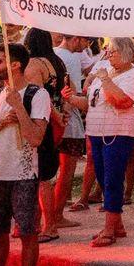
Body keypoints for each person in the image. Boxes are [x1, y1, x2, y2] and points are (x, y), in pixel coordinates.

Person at [0, 44, 50, 266]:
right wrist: (1, 123)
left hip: (23, 174)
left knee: (27, 232)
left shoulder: (38, 94)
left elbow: (35, 138)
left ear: (15, 65)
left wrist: (17, 107)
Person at [64, 37, 134, 247]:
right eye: (108, 51)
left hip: (117, 134)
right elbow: (91, 104)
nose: (108, 55)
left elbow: (122, 102)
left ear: (127, 53)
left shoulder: (133, 76)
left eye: (113, 52)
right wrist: (71, 98)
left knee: (112, 180)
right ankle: (117, 225)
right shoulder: (105, 72)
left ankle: (110, 229)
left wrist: (106, 81)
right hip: (96, 133)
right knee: (103, 178)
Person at [22, 28, 66, 243]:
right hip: (55, 121)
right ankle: (44, 223)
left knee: (41, 178)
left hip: (42, 121)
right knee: (45, 176)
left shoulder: (33, 65)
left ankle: (49, 226)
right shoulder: (56, 62)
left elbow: (39, 99)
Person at [52, 34, 87, 230]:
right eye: (85, 41)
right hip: (69, 121)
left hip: (51, 119)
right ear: (75, 39)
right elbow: (72, 89)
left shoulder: (52, 54)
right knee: (67, 171)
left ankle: (49, 215)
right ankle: (57, 215)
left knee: (48, 173)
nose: (86, 46)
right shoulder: (71, 58)